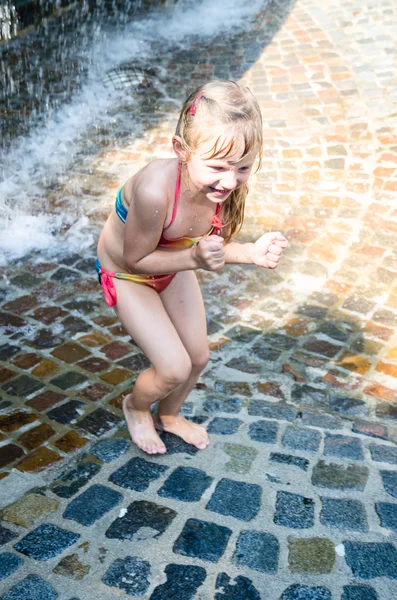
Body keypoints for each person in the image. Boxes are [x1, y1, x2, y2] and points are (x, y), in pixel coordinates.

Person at [96, 80, 288, 456]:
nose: (229, 181)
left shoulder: (224, 187)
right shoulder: (156, 191)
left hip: (174, 265)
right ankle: (135, 407)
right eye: (218, 167)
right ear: (181, 150)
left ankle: (170, 414)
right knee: (173, 367)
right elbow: (136, 259)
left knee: (198, 357)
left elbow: (211, 249)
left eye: (243, 168)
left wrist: (249, 252)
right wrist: (194, 259)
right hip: (129, 274)